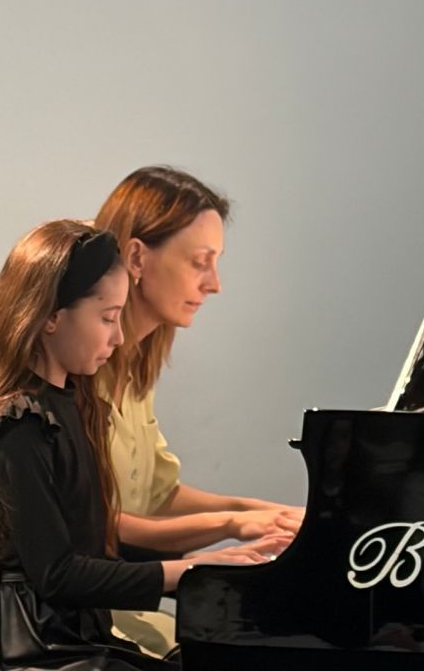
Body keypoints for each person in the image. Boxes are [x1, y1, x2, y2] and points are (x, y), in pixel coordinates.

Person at [0, 221, 280, 671]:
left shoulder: (72, 406)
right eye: (107, 317)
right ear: (50, 316)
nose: (118, 337)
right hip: (28, 647)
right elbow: (57, 573)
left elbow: (92, 546)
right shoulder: (18, 424)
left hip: (69, 634)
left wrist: (205, 566)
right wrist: (187, 572)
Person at [88, 165, 303, 655]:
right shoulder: (78, 371)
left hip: (119, 596)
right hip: (64, 611)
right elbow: (91, 522)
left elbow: (157, 495)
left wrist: (264, 512)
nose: (215, 284)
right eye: (199, 262)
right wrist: (229, 526)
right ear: (136, 258)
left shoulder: (133, 371)